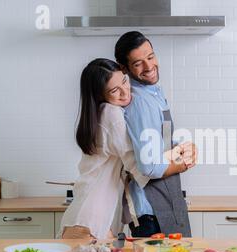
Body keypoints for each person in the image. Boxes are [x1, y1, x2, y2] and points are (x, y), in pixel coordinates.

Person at [58, 58, 187, 240]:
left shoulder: (98, 114)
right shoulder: (111, 114)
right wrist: (180, 163)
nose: (125, 91)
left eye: (124, 81)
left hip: (85, 213)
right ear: (100, 95)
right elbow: (139, 167)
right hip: (92, 218)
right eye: (114, 90)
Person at [115, 31, 196, 237]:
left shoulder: (153, 94)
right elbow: (149, 166)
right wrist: (183, 163)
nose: (149, 67)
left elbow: (160, 140)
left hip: (165, 204)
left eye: (150, 57)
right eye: (138, 63)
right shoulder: (141, 102)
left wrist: (184, 147)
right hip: (153, 213)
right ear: (124, 68)